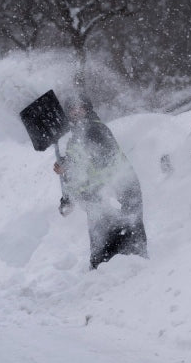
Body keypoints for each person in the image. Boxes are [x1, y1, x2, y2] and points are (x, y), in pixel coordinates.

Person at [53, 95, 148, 269]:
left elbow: (101, 162)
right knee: (103, 251)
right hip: (98, 200)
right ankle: (108, 279)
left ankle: (137, 279)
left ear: (87, 109)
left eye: (80, 108)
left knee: (126, 247)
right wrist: (67, 197)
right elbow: (77, 176)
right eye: (72, 109)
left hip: (119, 194)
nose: (76, 112)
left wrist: (70, 166)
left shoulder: (96, 131)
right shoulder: (76, 139)